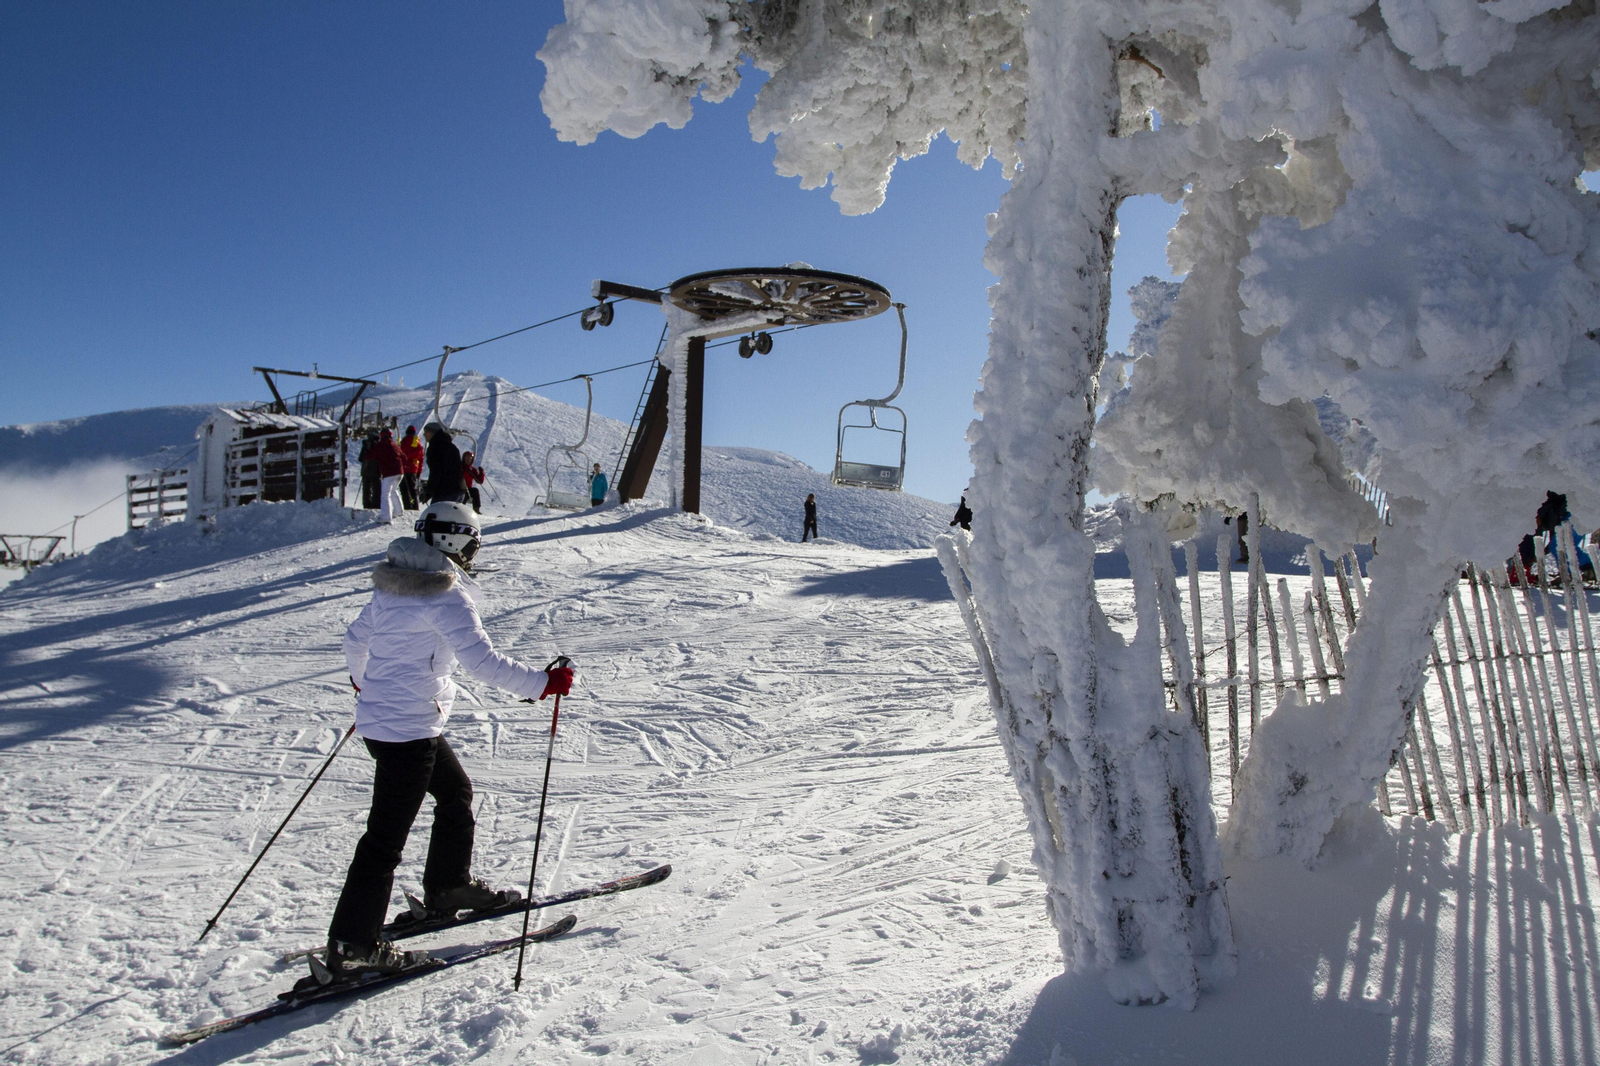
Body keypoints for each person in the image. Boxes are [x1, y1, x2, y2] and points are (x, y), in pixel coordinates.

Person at [327, 500, 574, 978]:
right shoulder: (445, 595)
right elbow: (482, 662)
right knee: (383, 842)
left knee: (455, 792)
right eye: (473, 546)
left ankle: (448, 887)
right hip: (408, 731)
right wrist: (543, 684)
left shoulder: (393, 585)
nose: (473, 556)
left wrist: (364, 686)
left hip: (394, 725)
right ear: (457, 542)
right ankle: (353, 945)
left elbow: (355, 642)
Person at [422, 422, 466, 505]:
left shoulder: (434, 448)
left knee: (437, 512)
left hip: (445, 490)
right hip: (459, 488)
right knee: (452, 513)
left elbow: (436, 472)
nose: (424, 434)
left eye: (426, 432)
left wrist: (428, 492)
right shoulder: (452, 446)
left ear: (432, 433)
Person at [374, 428, 407, 524]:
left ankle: (385, 517)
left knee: (385, 494)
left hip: (389, 473)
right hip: (400, 473)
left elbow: (370, 455)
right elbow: (404, 457)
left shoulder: (381, 445)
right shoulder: (394, 444)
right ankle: (398, 511)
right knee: (394, 490)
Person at [398, 426, 424, 510]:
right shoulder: (418, 444)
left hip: (404, 468)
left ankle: (407, 507)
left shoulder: (404, 442)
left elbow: (400, 455)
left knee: (405, 490)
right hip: (414, 469)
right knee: (413, 490)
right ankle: (415, 506)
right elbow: (421, 459)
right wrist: (418, 472)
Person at [357, 431, 381, 510]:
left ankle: (366, 505)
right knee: (376, 489)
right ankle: (375, 506)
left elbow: (360, 459)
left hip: (365, 470)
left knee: (366, 489)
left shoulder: (365, 445)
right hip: (375, 470)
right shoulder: (378, 445)